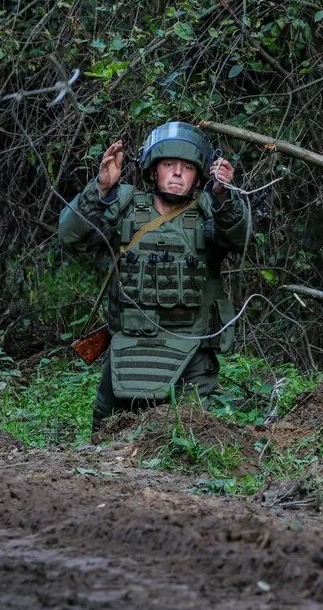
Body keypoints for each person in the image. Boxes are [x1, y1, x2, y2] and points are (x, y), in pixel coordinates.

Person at [58, 121, 252, 433]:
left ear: (199, 174)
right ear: (153, 170)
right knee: (104, 435)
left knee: (191, 436)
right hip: (128, 351)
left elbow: (239, 239)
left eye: (186, 167)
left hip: (190, 354)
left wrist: (223, 196)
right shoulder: (124, 208)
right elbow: (69, 235)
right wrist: (101, 188)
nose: (177, 173)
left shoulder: (208, 213)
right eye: (169, 164)